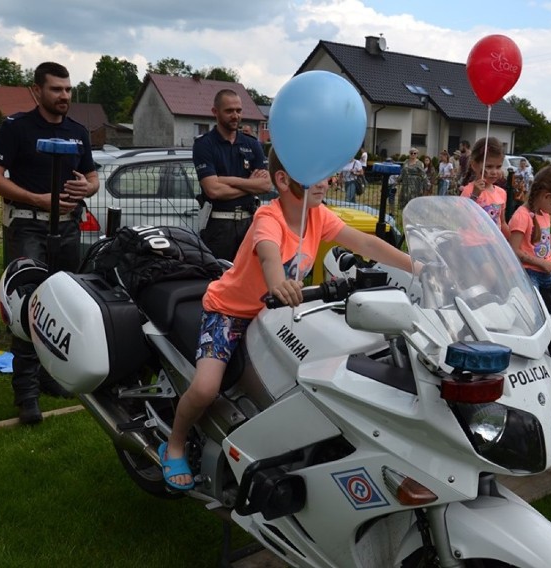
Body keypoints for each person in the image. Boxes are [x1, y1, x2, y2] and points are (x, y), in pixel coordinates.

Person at [157, 148, 414, 490]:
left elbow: (366, 242)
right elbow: (268, 254)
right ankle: (174, 444)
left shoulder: (318, 215)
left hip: (276, 315)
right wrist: (278, 284)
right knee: (206, 387)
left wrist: (417, 268)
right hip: (230, 312)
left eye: (326, 173)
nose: (326, 181)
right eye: (315, 175)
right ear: (282, 179)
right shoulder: (269, 217)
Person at [0, 61, 99, 425]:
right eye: (56, 89)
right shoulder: (17, 128)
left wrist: (88, 187)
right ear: (37, 90)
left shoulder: (79, 131)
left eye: (67, 89)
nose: (64, 96)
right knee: (27, 307)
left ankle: (50, 377)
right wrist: (36, 198)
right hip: (28, 227)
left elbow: (93, 175)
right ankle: (26, 394)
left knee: (62, 306)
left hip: (67, 229)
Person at [193, 89, 272, 262]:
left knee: (249, 281)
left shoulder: (252, 144)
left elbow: (266, 185)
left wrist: (227, 180)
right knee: (218, 280)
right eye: (229, 111)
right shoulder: (204, 145)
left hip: (249, 224)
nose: (235, 115)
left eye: (238, 110)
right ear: (215, 112)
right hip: (219, 227)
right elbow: (213, 190)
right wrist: (250, 186)